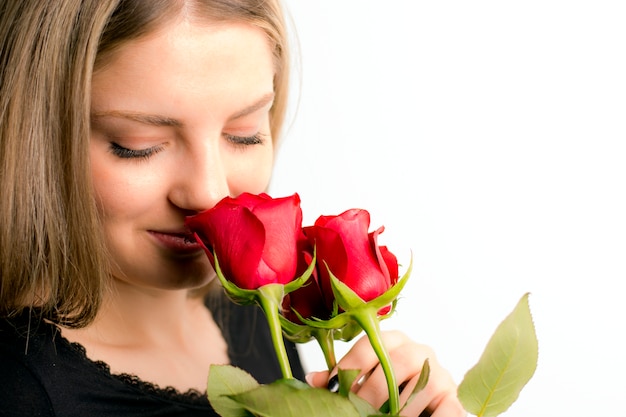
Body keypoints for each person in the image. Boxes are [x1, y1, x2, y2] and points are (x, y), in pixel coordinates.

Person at [0, 1, 465, 416]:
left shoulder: (261, 311)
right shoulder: (24, 392)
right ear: (35, 136)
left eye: (243, 134)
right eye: (137, 146)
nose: (208, 191)